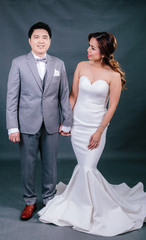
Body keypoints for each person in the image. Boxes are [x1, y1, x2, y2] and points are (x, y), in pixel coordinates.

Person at [38, 32, 146, 237]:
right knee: (84, 167)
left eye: (93, 47)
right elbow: (73, 96)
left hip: (96, 127)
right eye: (89, 46)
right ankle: (81, 205)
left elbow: (111, 108)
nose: (88, 50)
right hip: (77, 125)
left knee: (87, 167)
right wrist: (66, 122)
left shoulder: (113, 76)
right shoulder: (81, 66)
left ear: (103, 52)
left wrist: (99, 131)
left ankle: (89, 211)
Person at [6, 22, 72, 220]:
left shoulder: (58, 64)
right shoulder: (18, 63)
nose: (41, 40)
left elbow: (64, 95)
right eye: (37, 37)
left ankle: (49, 199)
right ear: (29, 40)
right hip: (26, 124)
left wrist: (67, 121)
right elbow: (12, 98)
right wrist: (12, 127)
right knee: (28, 165)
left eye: (45, 37)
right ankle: (29, 201)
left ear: (50, 41)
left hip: (52, 123)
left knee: (51, 166)